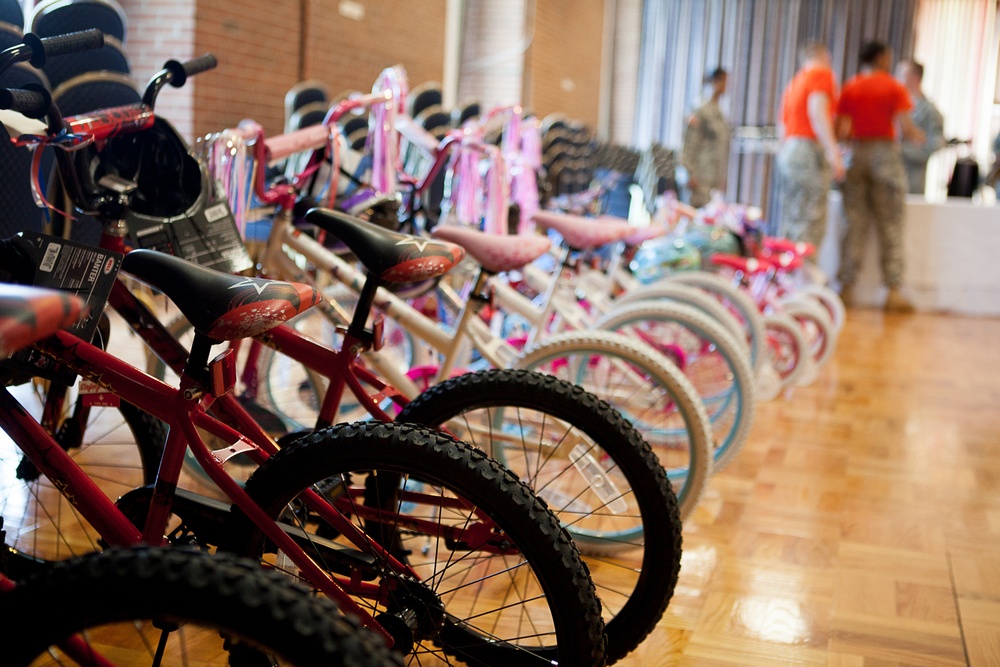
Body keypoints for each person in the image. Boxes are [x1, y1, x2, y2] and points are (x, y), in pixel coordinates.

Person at [836, 41, 924, 313]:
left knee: (854, 222)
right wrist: (916, 136)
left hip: (857, 153)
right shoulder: (893, 87)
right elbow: (906, 126)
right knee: (891, 223)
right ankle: (893, 291)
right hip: (885, 156)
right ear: (882, 58)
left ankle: (846, 288)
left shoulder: (850, 86)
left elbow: (843, 130)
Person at [775, 43, 845, 250]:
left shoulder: (795, 82)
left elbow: (782, 124)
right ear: (827, 56)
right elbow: (818, 113)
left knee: (791, 217)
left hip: (789, 151)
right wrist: (834, 153)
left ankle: (786, 274)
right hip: (808, 152)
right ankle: (804, 278)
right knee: (810, 220)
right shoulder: (822, 75)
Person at [681, 67, 730, 208]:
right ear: (716, 81)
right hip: (700, 176)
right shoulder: (700, 108)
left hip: (712, 177)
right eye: (724, 81)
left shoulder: (719, 111)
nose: (726, 86)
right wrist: (689, 173)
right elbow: (690, 142)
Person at [895, 60, 945, 194]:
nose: (898, 78)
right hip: (890, 173)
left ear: (915, 77)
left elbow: (935, 143)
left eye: (902, 74)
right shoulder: (894, 106)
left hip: (912, 178)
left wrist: (904, 150)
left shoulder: (929, 111)